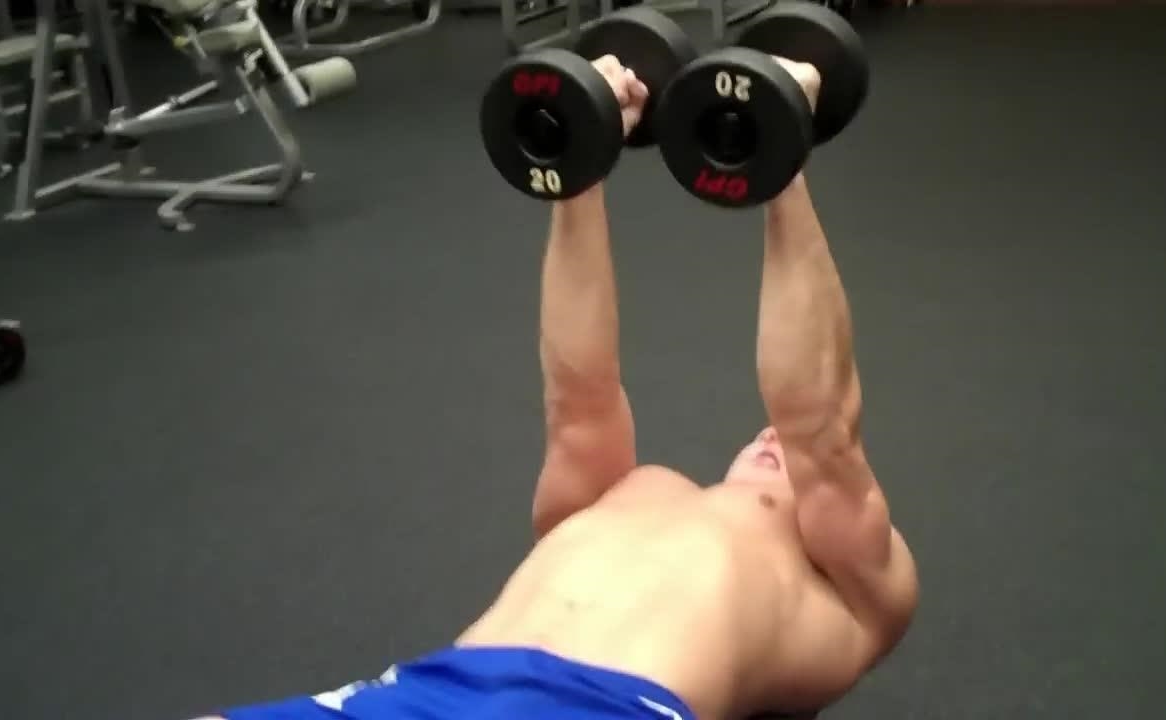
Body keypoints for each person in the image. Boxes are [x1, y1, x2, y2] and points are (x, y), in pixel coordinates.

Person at [202, 56, 919, 720]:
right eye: (767, 434)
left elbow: (818, 426)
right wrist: (581, 162)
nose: (771, 437)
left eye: (788, 455)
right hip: (420, 692)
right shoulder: (636, 491)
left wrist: (781, 158)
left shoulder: (862, 588)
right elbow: (580, 403)